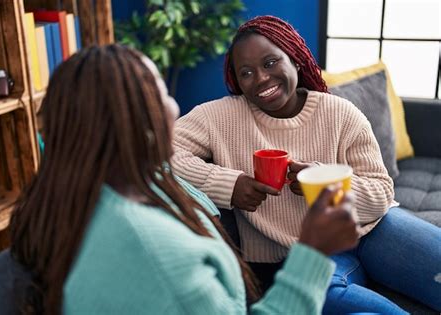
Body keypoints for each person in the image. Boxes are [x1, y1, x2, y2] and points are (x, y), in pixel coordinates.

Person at [9, 44, 359, 314]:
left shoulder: (87, 193)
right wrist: (313, 251)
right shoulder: (155, 253)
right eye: (162, 93)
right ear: (139, 124)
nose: (175, 105)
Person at [171, 15, 441, 314]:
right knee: (323, 298)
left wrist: (327, 185)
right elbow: (159, 154)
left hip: (375, 230)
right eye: (246, 72)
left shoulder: (340, 113)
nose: (260, 78)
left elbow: (381, 193)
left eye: (271, 63)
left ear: (296, 60)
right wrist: (227, 184)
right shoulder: (219, 117)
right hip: (304, 252)